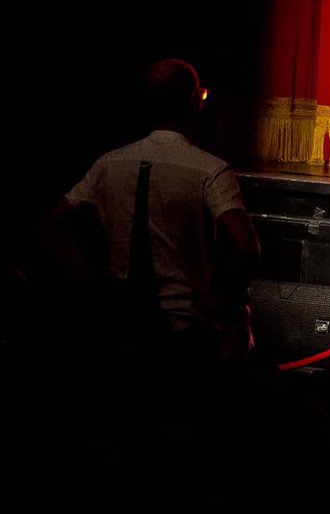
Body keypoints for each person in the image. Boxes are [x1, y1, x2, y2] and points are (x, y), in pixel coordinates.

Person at [42, 58, 260, 360]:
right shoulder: (210, 171)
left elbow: (52, 226)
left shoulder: (108, 164)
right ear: (194, 100)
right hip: (184, 331)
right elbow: (247, 247)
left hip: (119, 327)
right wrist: (220, 298)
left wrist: (86, 285)